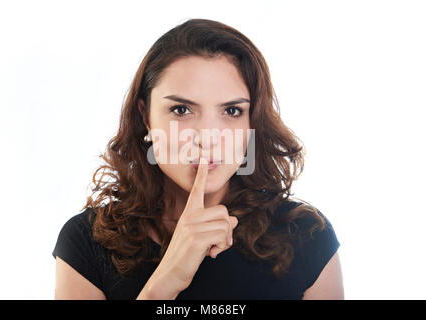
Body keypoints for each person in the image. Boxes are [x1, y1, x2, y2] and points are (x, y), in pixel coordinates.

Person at [52, 18, 344, 300]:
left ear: (252, 122)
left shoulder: (307, 236)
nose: (207, 138)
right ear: (146, 116)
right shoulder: (86, 244)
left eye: (231, 111)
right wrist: (162, 285)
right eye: (181, 110)